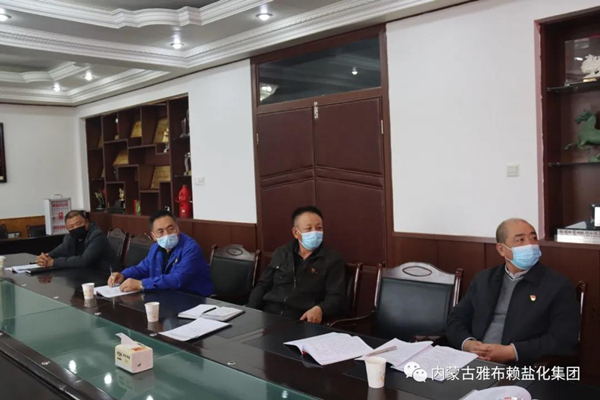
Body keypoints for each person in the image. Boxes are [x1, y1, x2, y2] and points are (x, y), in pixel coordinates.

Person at [446, 218, 580, 365]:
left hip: (521, 365)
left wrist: (512, 352)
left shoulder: (557, 286)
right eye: (520, 240)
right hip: (473, 360)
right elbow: (456, 319)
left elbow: (563, 339)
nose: (530, 244)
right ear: (501, 249)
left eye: (533, 238)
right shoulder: (484, 279)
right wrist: (468, 344)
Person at [247, 206, 346, 324]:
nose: (315, 232)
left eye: (319, 228)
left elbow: (336, 297)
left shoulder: (332, 259)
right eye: (308, 228)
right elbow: (263, 285)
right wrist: (250, 312)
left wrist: (320, 309)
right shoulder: (282, 253)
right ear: (296, 233)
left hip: (302, 319)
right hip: (270, 314)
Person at [108, 209, 213, 296]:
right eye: (160, 231)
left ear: (177, 228)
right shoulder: (155, 248)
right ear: (153, 236)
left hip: (193, 298)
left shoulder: (191, 248)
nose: (167, 234)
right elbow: (142, 268)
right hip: (168, 296)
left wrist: (142, 284)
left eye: (170, 229)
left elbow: (178, 279)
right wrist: (123, 275)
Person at [36, 210, 118, 272]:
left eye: (78, 224)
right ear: (67, 229)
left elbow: (84, 260)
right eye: (71, 227)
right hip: (86, 274)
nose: (75, 228)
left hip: (106, 275)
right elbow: (56, 252)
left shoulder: (97, 236)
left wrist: (53, 262)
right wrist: (44, 258)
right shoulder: (69, 238)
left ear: (86, 223)